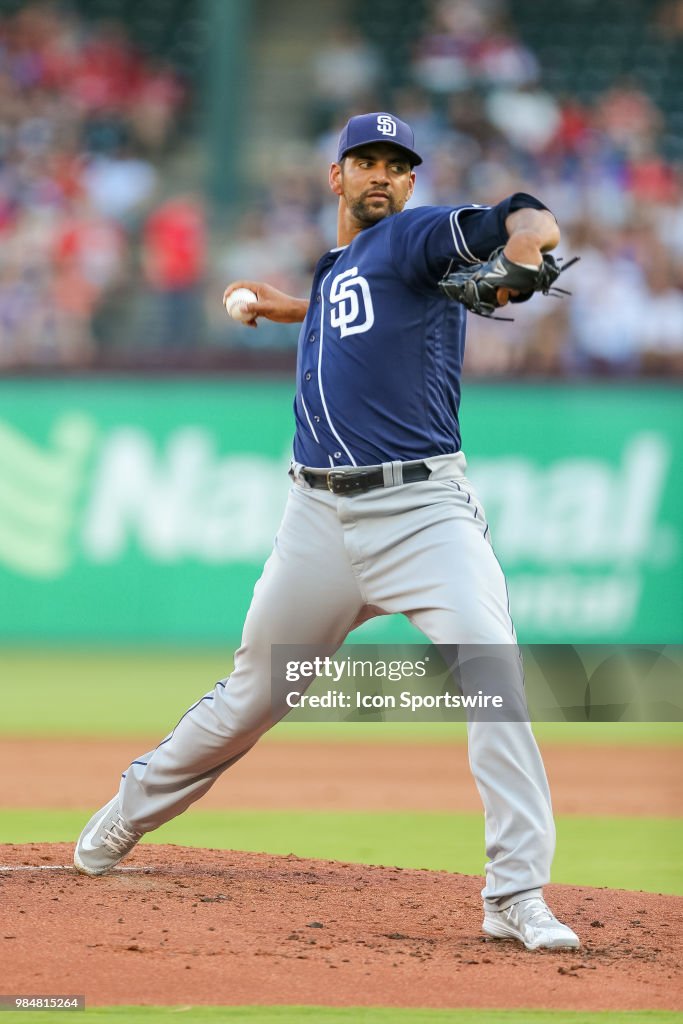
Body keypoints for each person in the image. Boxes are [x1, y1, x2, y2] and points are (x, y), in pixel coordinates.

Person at [74, 112, 580, 952]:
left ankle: (516, 893)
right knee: (256, 694)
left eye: (397, 164)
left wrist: (523, 258)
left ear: (412, 185)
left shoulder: (417, 238)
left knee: (491, 675)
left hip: (422, 516)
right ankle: (128, 811)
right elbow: (356, 305)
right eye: (364, 160)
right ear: (334, 177)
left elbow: (524, 212)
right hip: (314, 521)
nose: (381, 174)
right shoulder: (344, 267)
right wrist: (287, 308)